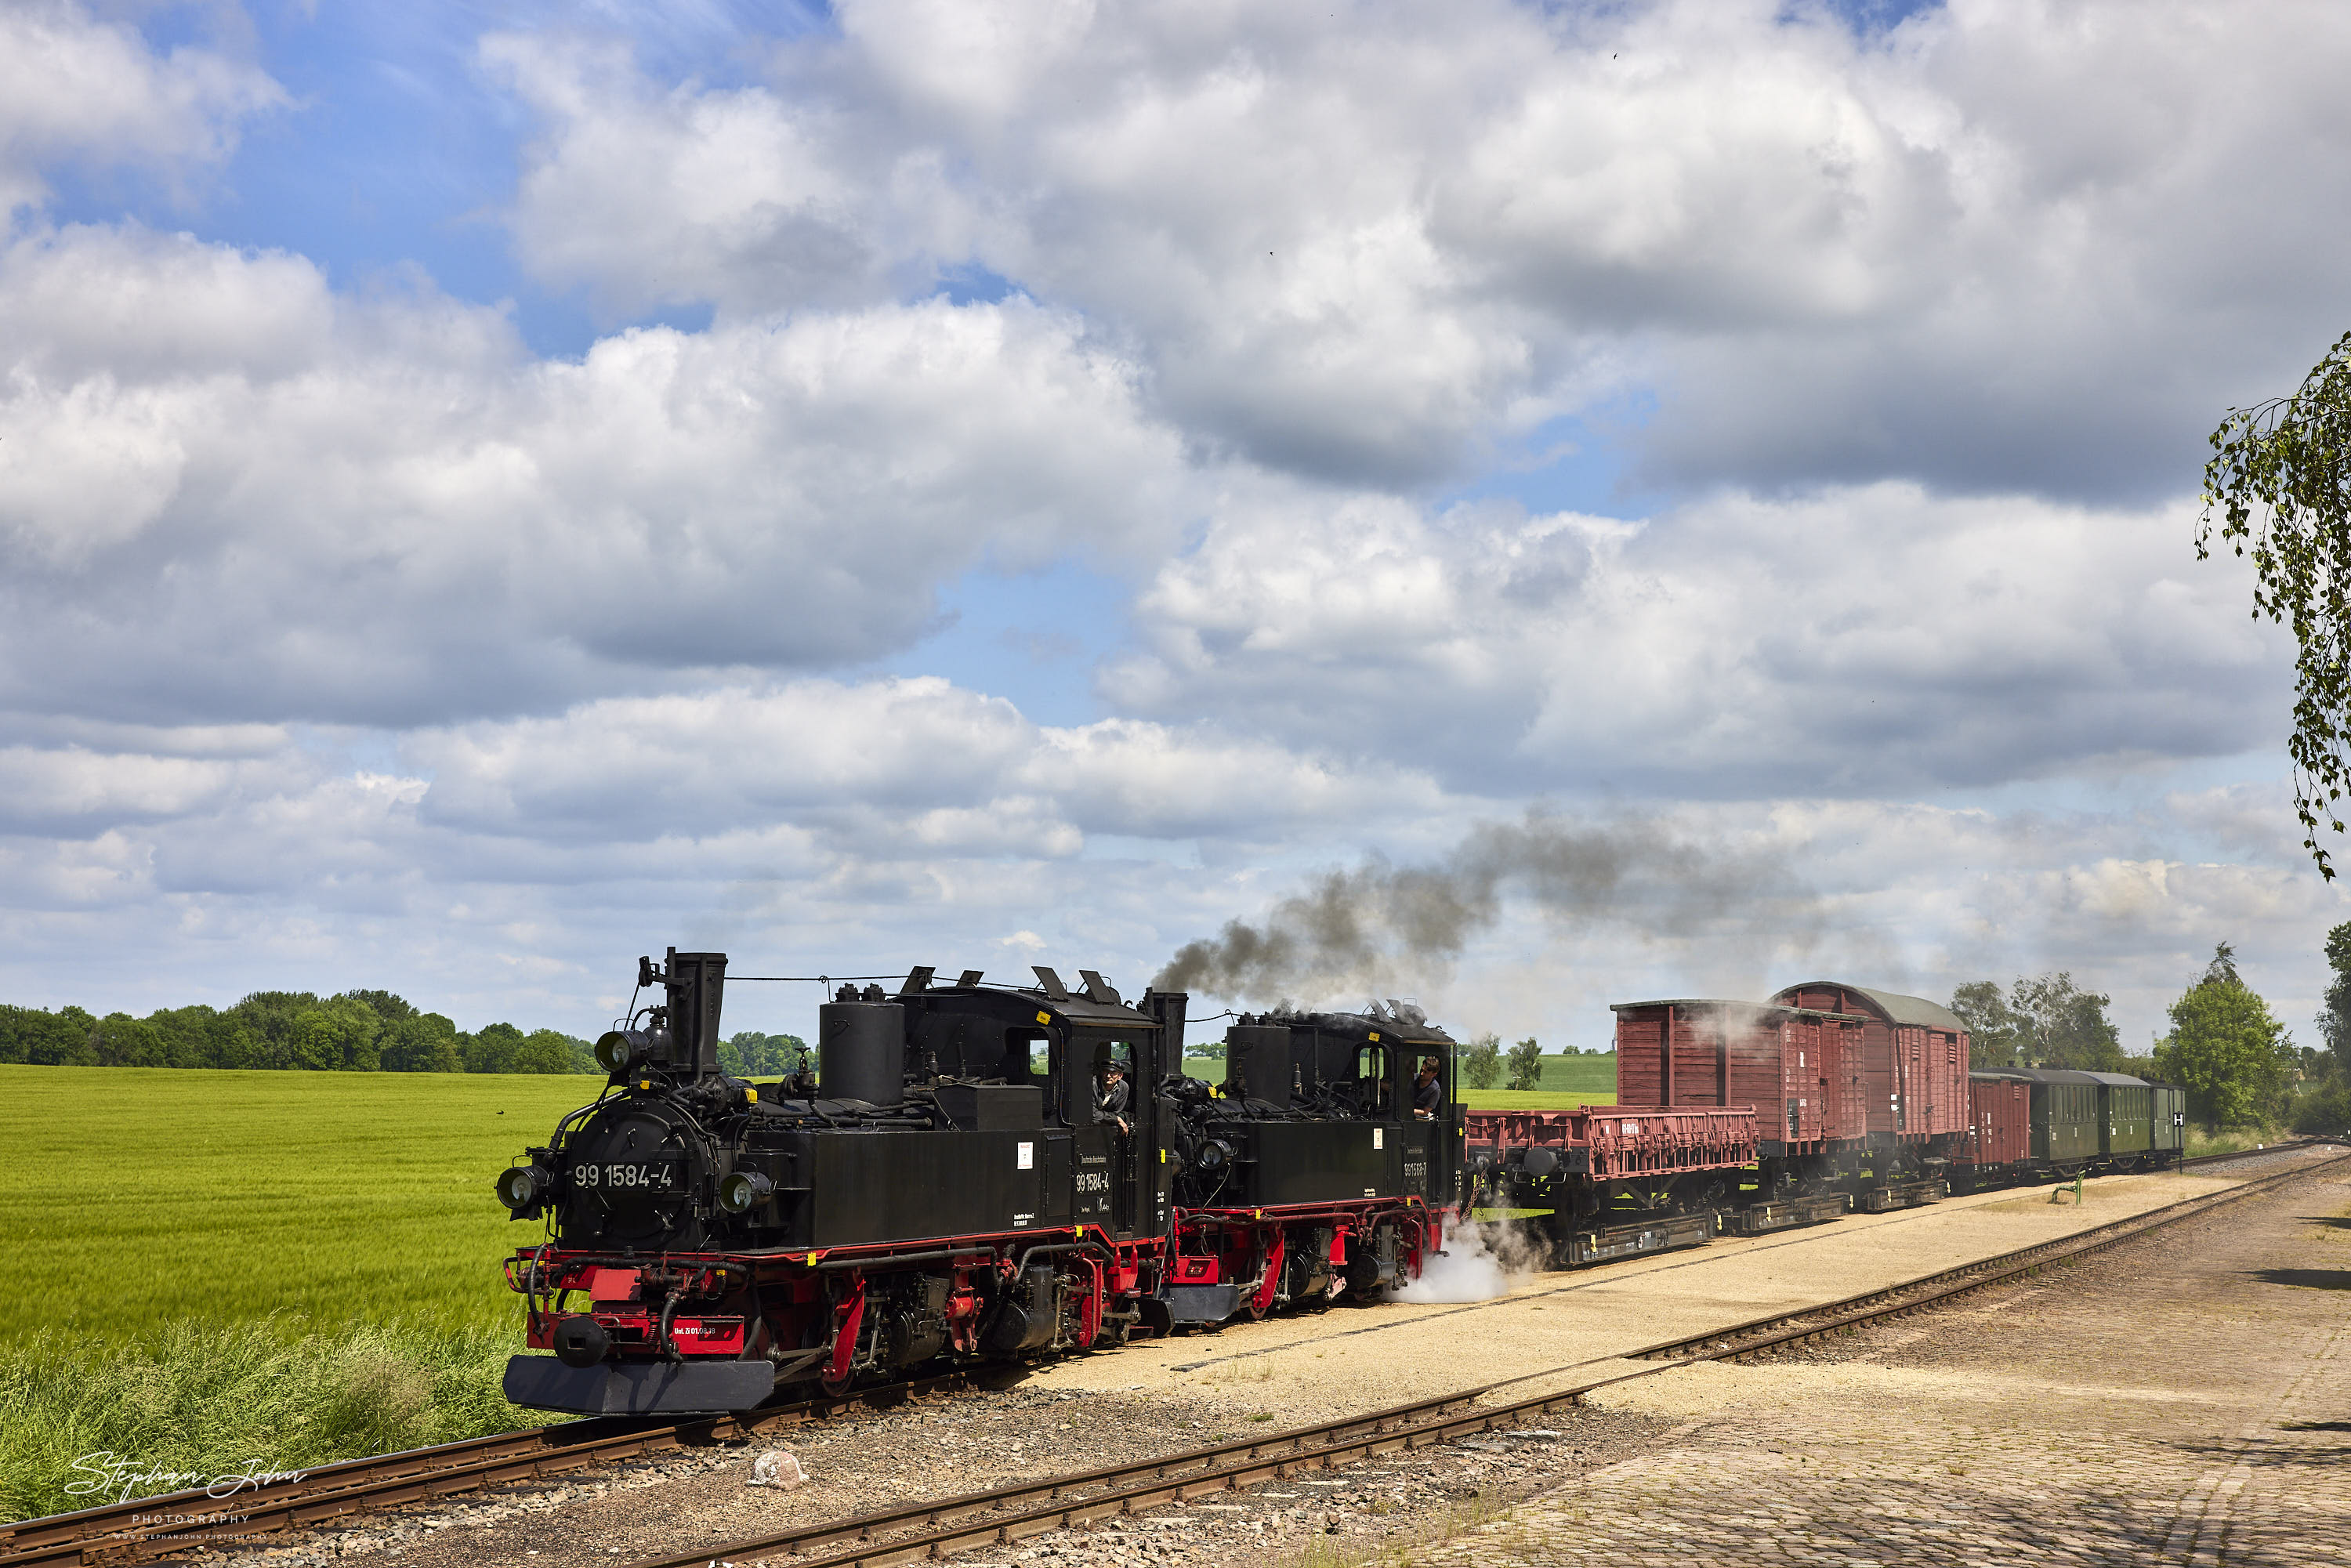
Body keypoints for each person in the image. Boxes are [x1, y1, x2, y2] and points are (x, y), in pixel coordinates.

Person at [1094, 1061, 1132, 1135]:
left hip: (1104, 1121)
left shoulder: (1124, 1087)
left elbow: (1116, 1112)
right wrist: (1116, 1119)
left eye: (1113, 1073)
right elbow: (1091, 1113)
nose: (1108, 1076)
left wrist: (1113, 1118)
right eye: (1106, 1072)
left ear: (1120, 1076)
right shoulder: (1093, 1084)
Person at [1412, 1056, 1443, 1120]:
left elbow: (1425, 1112)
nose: (1421, 1073)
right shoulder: (1412, 1079)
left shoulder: (1435, 1090)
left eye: (1426, 1072)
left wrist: (1407, 1111)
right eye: (1422, 1070)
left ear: (1434, 1074)